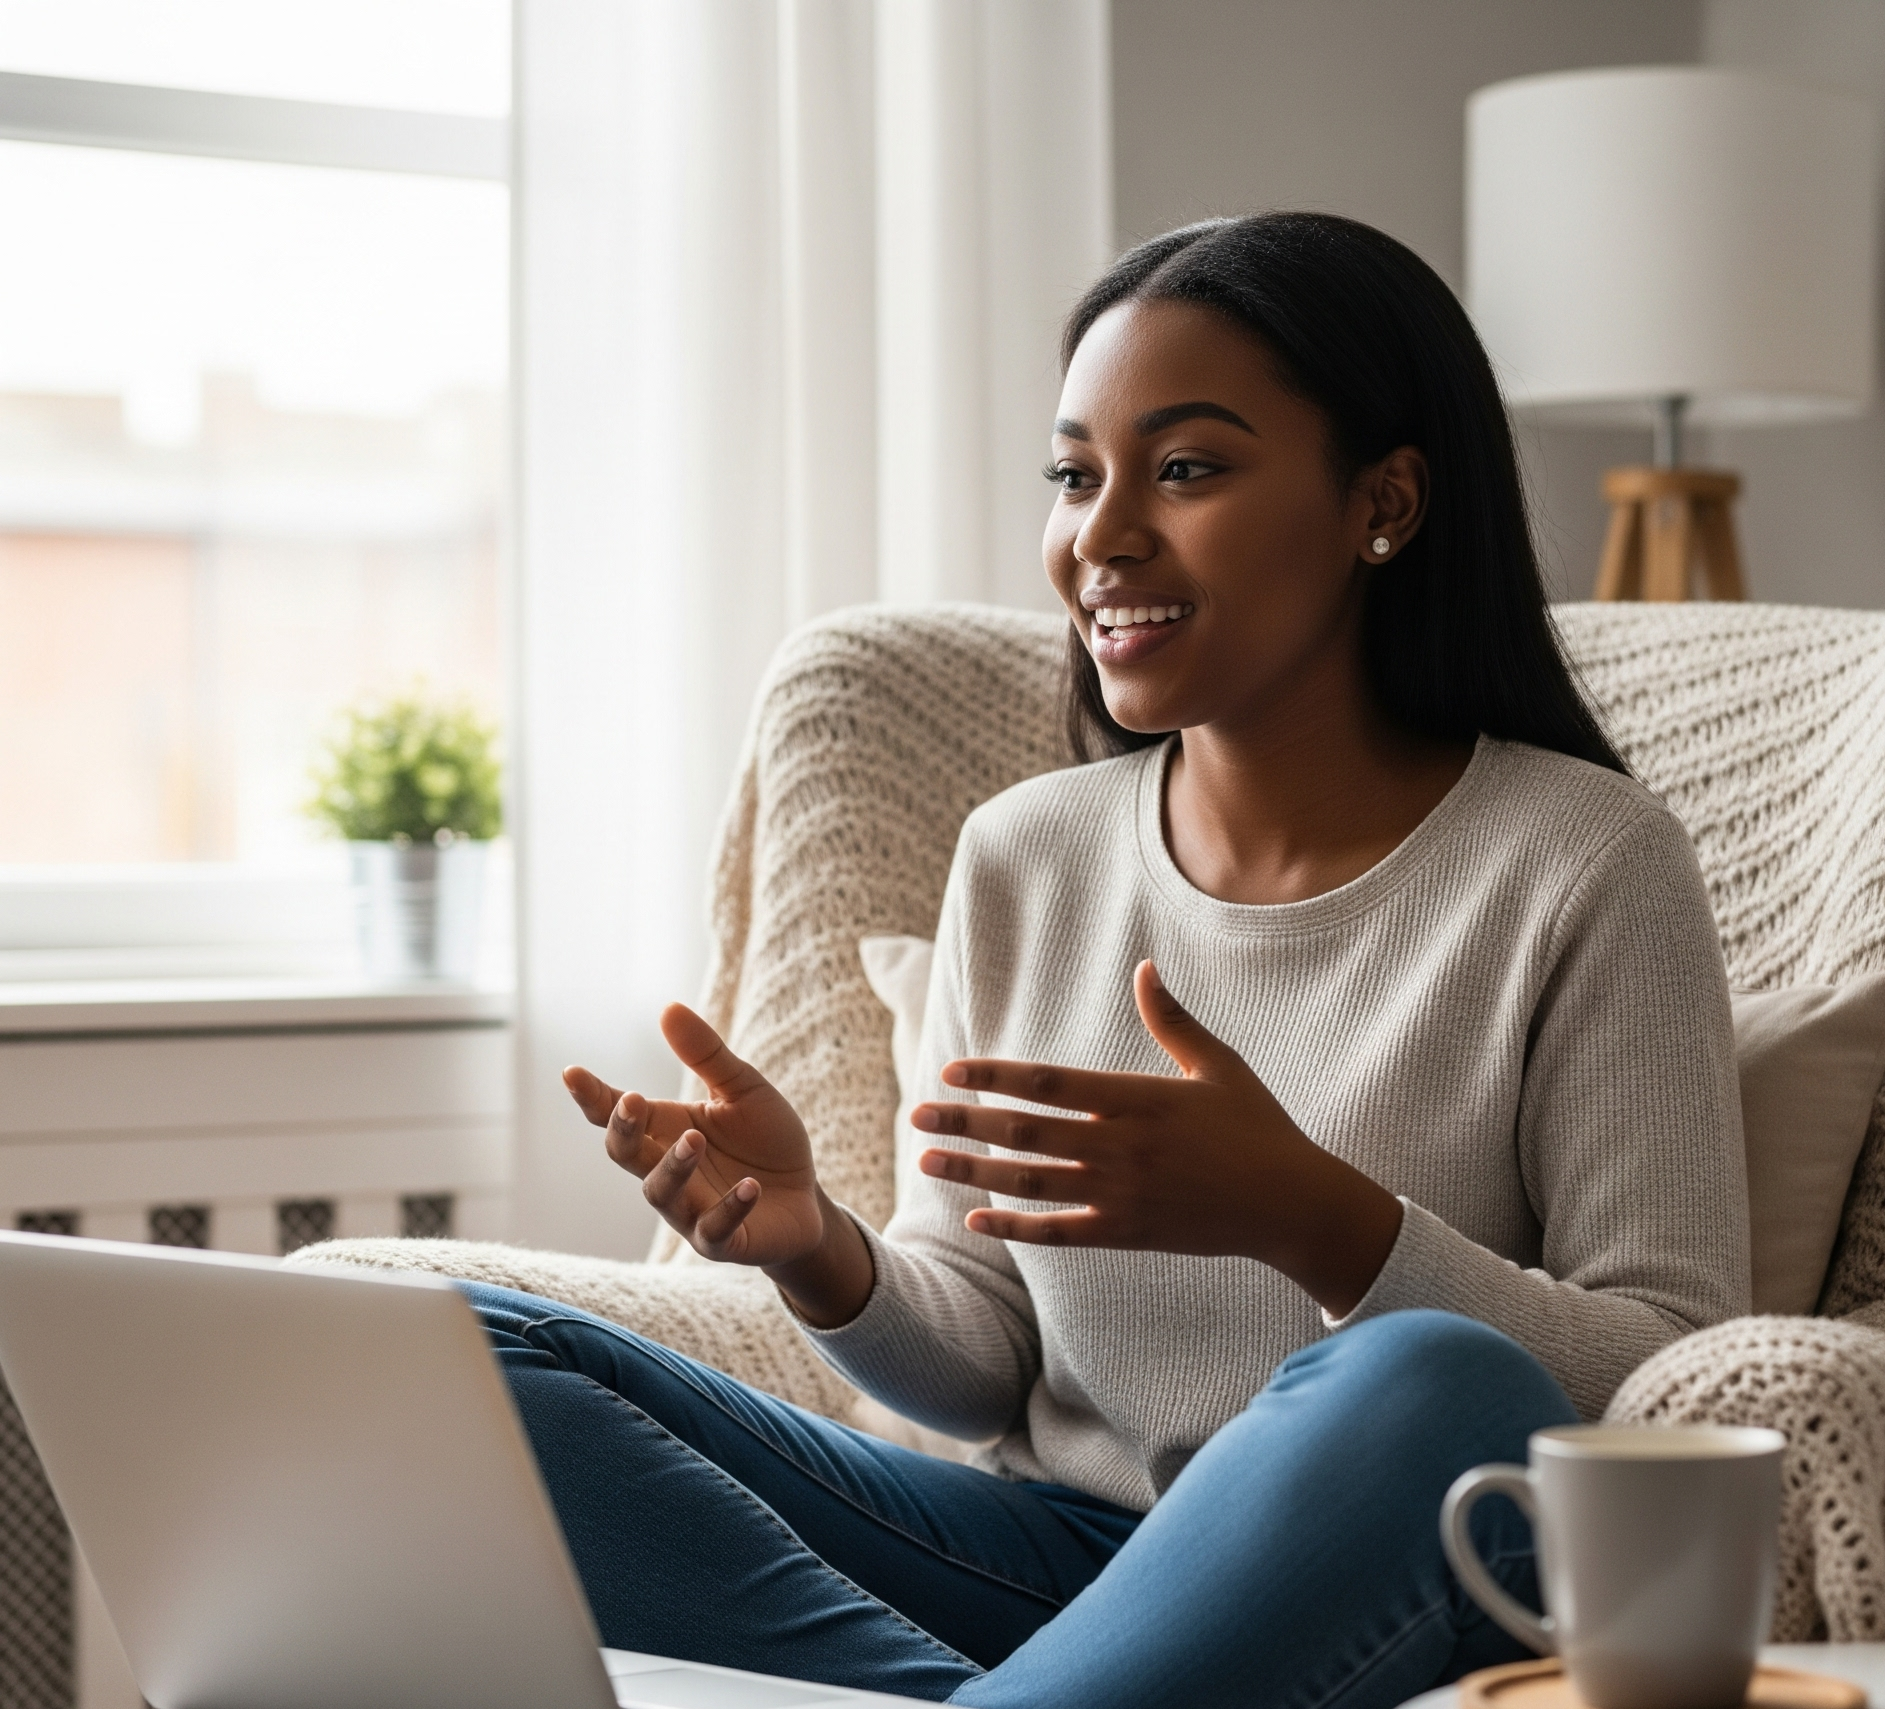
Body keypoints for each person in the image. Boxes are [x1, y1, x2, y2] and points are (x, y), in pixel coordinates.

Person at [467, 212, 1750, 1709]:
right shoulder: (1027, 854)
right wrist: (820, 1248)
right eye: (1076, 476)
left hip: (1416, 1548)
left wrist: (1312, 1217)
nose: (1102, 535)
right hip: (1062, 1562)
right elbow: (987, 1359)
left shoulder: (1588, 860)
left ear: (1384, 502)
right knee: (479, 1361)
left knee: (1433, 1378)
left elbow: (1669, 1375)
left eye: (1187, 468)